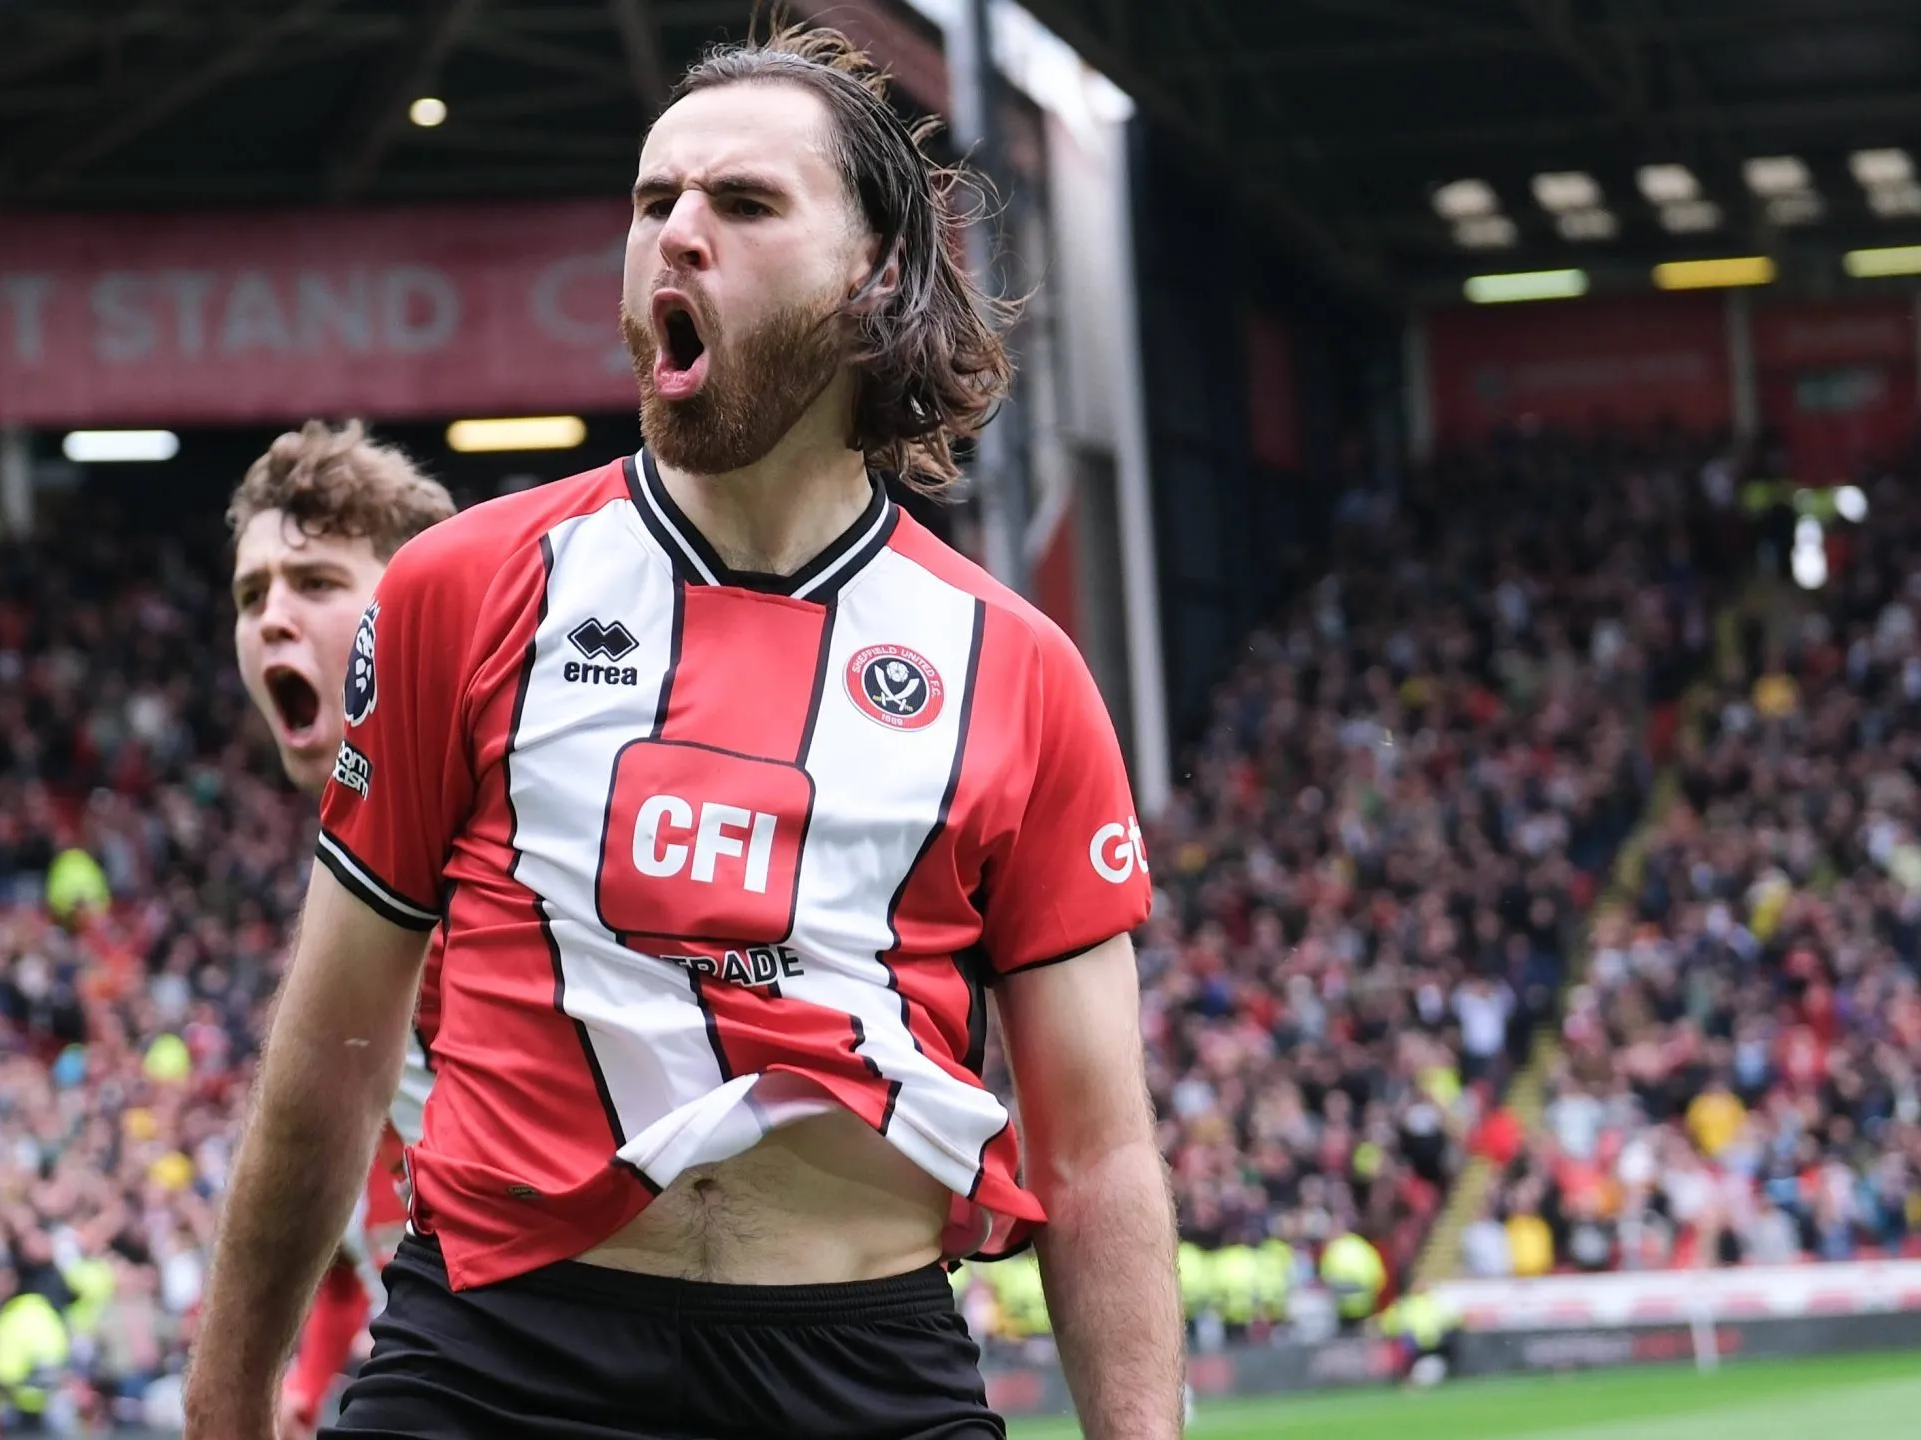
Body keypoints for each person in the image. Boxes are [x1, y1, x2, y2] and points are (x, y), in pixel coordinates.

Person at [185, 22, 1181, 1440]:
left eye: (745, 203)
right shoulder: (462, 591)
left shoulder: (1016, 670)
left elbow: (1097, 1157)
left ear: (876, 274)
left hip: (864, 1370)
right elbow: (328, 1065)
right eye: (655, 202)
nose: (677, 235)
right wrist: (222, 1412)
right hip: (497, 1358)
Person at [226, 419, 456, 1435]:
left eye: (314, 584)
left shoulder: (500, 860)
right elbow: (356, 1232)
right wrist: (306, 1387)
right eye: (250, 595)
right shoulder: (358, 868)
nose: (273, 616)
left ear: (420, 611)